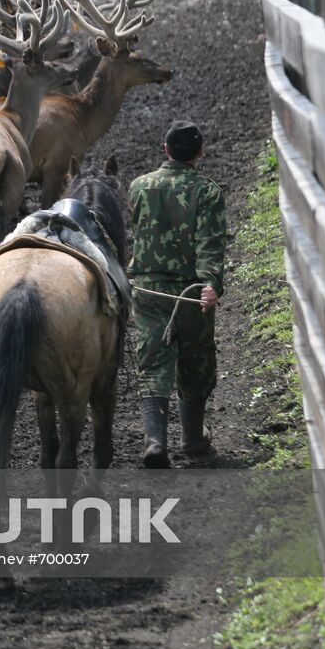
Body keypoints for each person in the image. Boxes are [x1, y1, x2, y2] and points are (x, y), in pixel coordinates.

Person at [127, 121, 227, 468]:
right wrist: (211, 282)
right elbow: (210, 243)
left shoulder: (139, 187)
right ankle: (194, 442)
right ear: (200, 153)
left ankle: (155, 442)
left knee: (153, 360)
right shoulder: (208, 192)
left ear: (165, 149)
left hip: (148, 290)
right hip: (190, 293)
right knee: (195, 362)